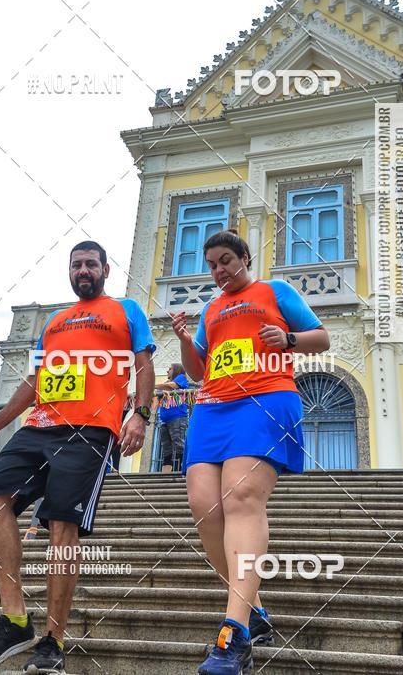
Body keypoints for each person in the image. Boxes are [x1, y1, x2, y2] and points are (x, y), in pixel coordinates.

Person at [0, 241, 156, 673]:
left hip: (91, 430)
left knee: (61, 526)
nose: (83, 270)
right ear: (70, 272)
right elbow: (35, 379)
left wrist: (140, 414)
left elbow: (143, 365)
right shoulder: (54, 322)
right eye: (76, 265)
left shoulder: (126, 310)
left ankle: (53, 639)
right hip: (40, 426)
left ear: (105, 269)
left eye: (91, 264)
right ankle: (14, 620)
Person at [171, 229, 329, 675]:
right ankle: (254, 611)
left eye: (226, 260)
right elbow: (197, 370)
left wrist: (288, 340)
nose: (219, 270)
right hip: (212, 408)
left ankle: (233, 634)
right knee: (205, 510)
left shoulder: (275, 291)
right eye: (212, 264)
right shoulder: (212, 309)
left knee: (240, 500)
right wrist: (186, 340)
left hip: (265, 399)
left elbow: (321, 337)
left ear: (244, 258)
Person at [158, 362, 190, 472]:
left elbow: (171, 386)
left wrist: (151, 384)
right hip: (164, 420)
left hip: (177, 418)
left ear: (176, 370)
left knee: (179, 445)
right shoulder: (166, 383)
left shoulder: (181, 378)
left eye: (170, 369)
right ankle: (164, 475)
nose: (167, 371)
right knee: (166, 449)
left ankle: (184, 470)